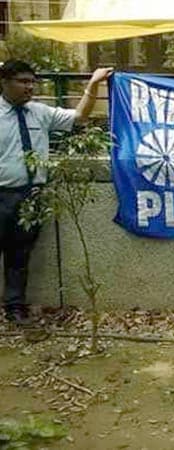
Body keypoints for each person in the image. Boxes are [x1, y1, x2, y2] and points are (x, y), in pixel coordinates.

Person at [0, 59, 112, 325]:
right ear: (4, 82)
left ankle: (15, 308)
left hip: (33, 195)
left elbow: (78, 118)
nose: (30, 87)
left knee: (20, 255)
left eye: (33, 82)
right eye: (23, 82)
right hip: (1, 194)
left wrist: (93, 85)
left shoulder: (39, 112)